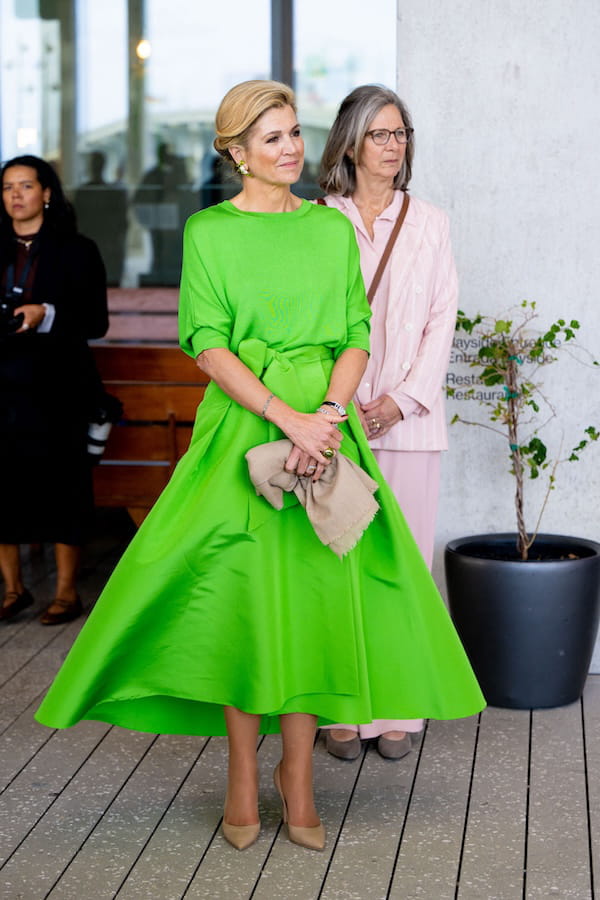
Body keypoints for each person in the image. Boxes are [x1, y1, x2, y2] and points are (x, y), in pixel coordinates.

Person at [35, 81, 484, 853]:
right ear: (236, 151)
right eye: (271, 137)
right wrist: (289, 418)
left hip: (327, 434)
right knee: (242, 605)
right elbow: (207, 344)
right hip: (244, 433)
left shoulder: (329, 228)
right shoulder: (209, 231)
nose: (290, 148)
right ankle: (244, 773)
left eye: (294, 133)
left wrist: (328, 418)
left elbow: (355, 335)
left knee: (313, 603)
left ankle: (297, 774)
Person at [317, 85, 459, 762]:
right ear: (350, 143)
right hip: (333, 420)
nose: (394, 145)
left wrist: (401, 400)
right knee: (337, 564)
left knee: (402, 566)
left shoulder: (429, 221)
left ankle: (397, 708)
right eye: (380, 134)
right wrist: (338, 405)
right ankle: (339, 706)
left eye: (401, 134)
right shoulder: (317, 221)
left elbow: (442, 318)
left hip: (409, 424)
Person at [0, 155, 108, 625]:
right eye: (8, 187)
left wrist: (47, 313)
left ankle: (66, 593)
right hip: (3, 388)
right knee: (2, 487)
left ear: (46, 193)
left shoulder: (77, 250)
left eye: (26, 185)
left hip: (58, 388)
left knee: (66, 487)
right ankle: (13, 589)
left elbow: (97, 322)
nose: (16, 195)